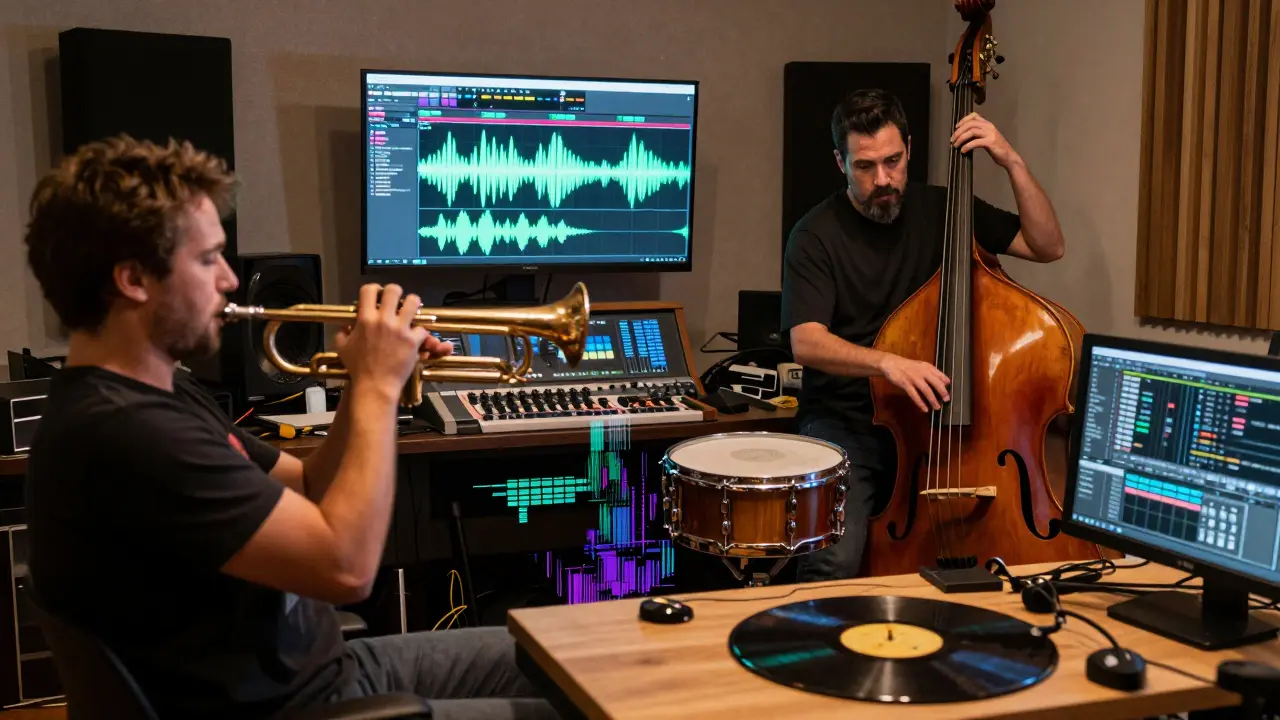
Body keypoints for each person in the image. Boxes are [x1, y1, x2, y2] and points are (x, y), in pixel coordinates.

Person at [22, 135, 559, 720]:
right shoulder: (126, 433)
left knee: (568, 655)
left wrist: (358, 384)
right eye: (208, 259)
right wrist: (379, 385)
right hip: (296, 709)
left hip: (325, 672)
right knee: (591, 705)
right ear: (133, 279)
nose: (230, 279)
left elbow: (307, 485)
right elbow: (347, 569)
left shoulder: (162, 392)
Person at [781, 88, 1066, 582]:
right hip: (849, 422)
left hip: (942, 427)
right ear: (840, 163)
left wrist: (1011, 161)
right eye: (865, 166)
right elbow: (805, 341)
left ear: (909, 149)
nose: (882, 179)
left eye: (892, 161)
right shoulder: (815, 235)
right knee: (835, 560)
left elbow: (1048, 245)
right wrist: (887, 363)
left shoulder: (946, 208)